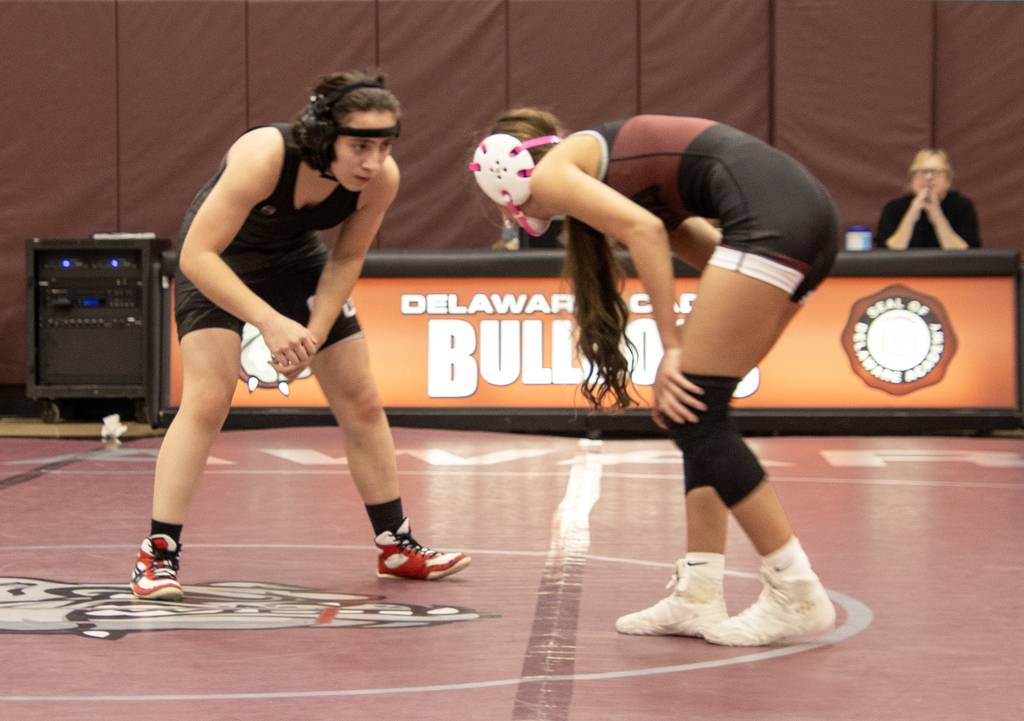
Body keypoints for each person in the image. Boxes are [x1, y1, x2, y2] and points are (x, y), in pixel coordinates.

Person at [470, 110, 838, 646]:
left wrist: (672, 345)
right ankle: (699, 592)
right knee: (695, 410)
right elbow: (705, 254)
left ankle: (796, 590)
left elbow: (643, 232)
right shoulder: (611, 171)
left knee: (695, 415)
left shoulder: (551, 177)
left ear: (509, 178)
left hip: (778, 221)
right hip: (805, 219)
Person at [130, 70, 471, 602]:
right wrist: (270, 322)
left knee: (360, 398)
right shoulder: (264, 155)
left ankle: (396, 546)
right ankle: (157, 555)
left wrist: (312, 333)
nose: (373, 161)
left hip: (296, 261)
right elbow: (195, 255)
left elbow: (348, 257)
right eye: (360, 146)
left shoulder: (382, 180)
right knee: (208, 400)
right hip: (221, 261)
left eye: (385, 145)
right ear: (322, 136)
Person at [875, 149, 980, 250]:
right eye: (922, 171)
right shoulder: (894, 208)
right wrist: (911, 215)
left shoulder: (961, 207)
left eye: (936, 171)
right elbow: (887, 254)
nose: (928, 177)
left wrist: (937, 216)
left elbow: (967, 255)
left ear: (948, 180)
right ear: (912, 179)